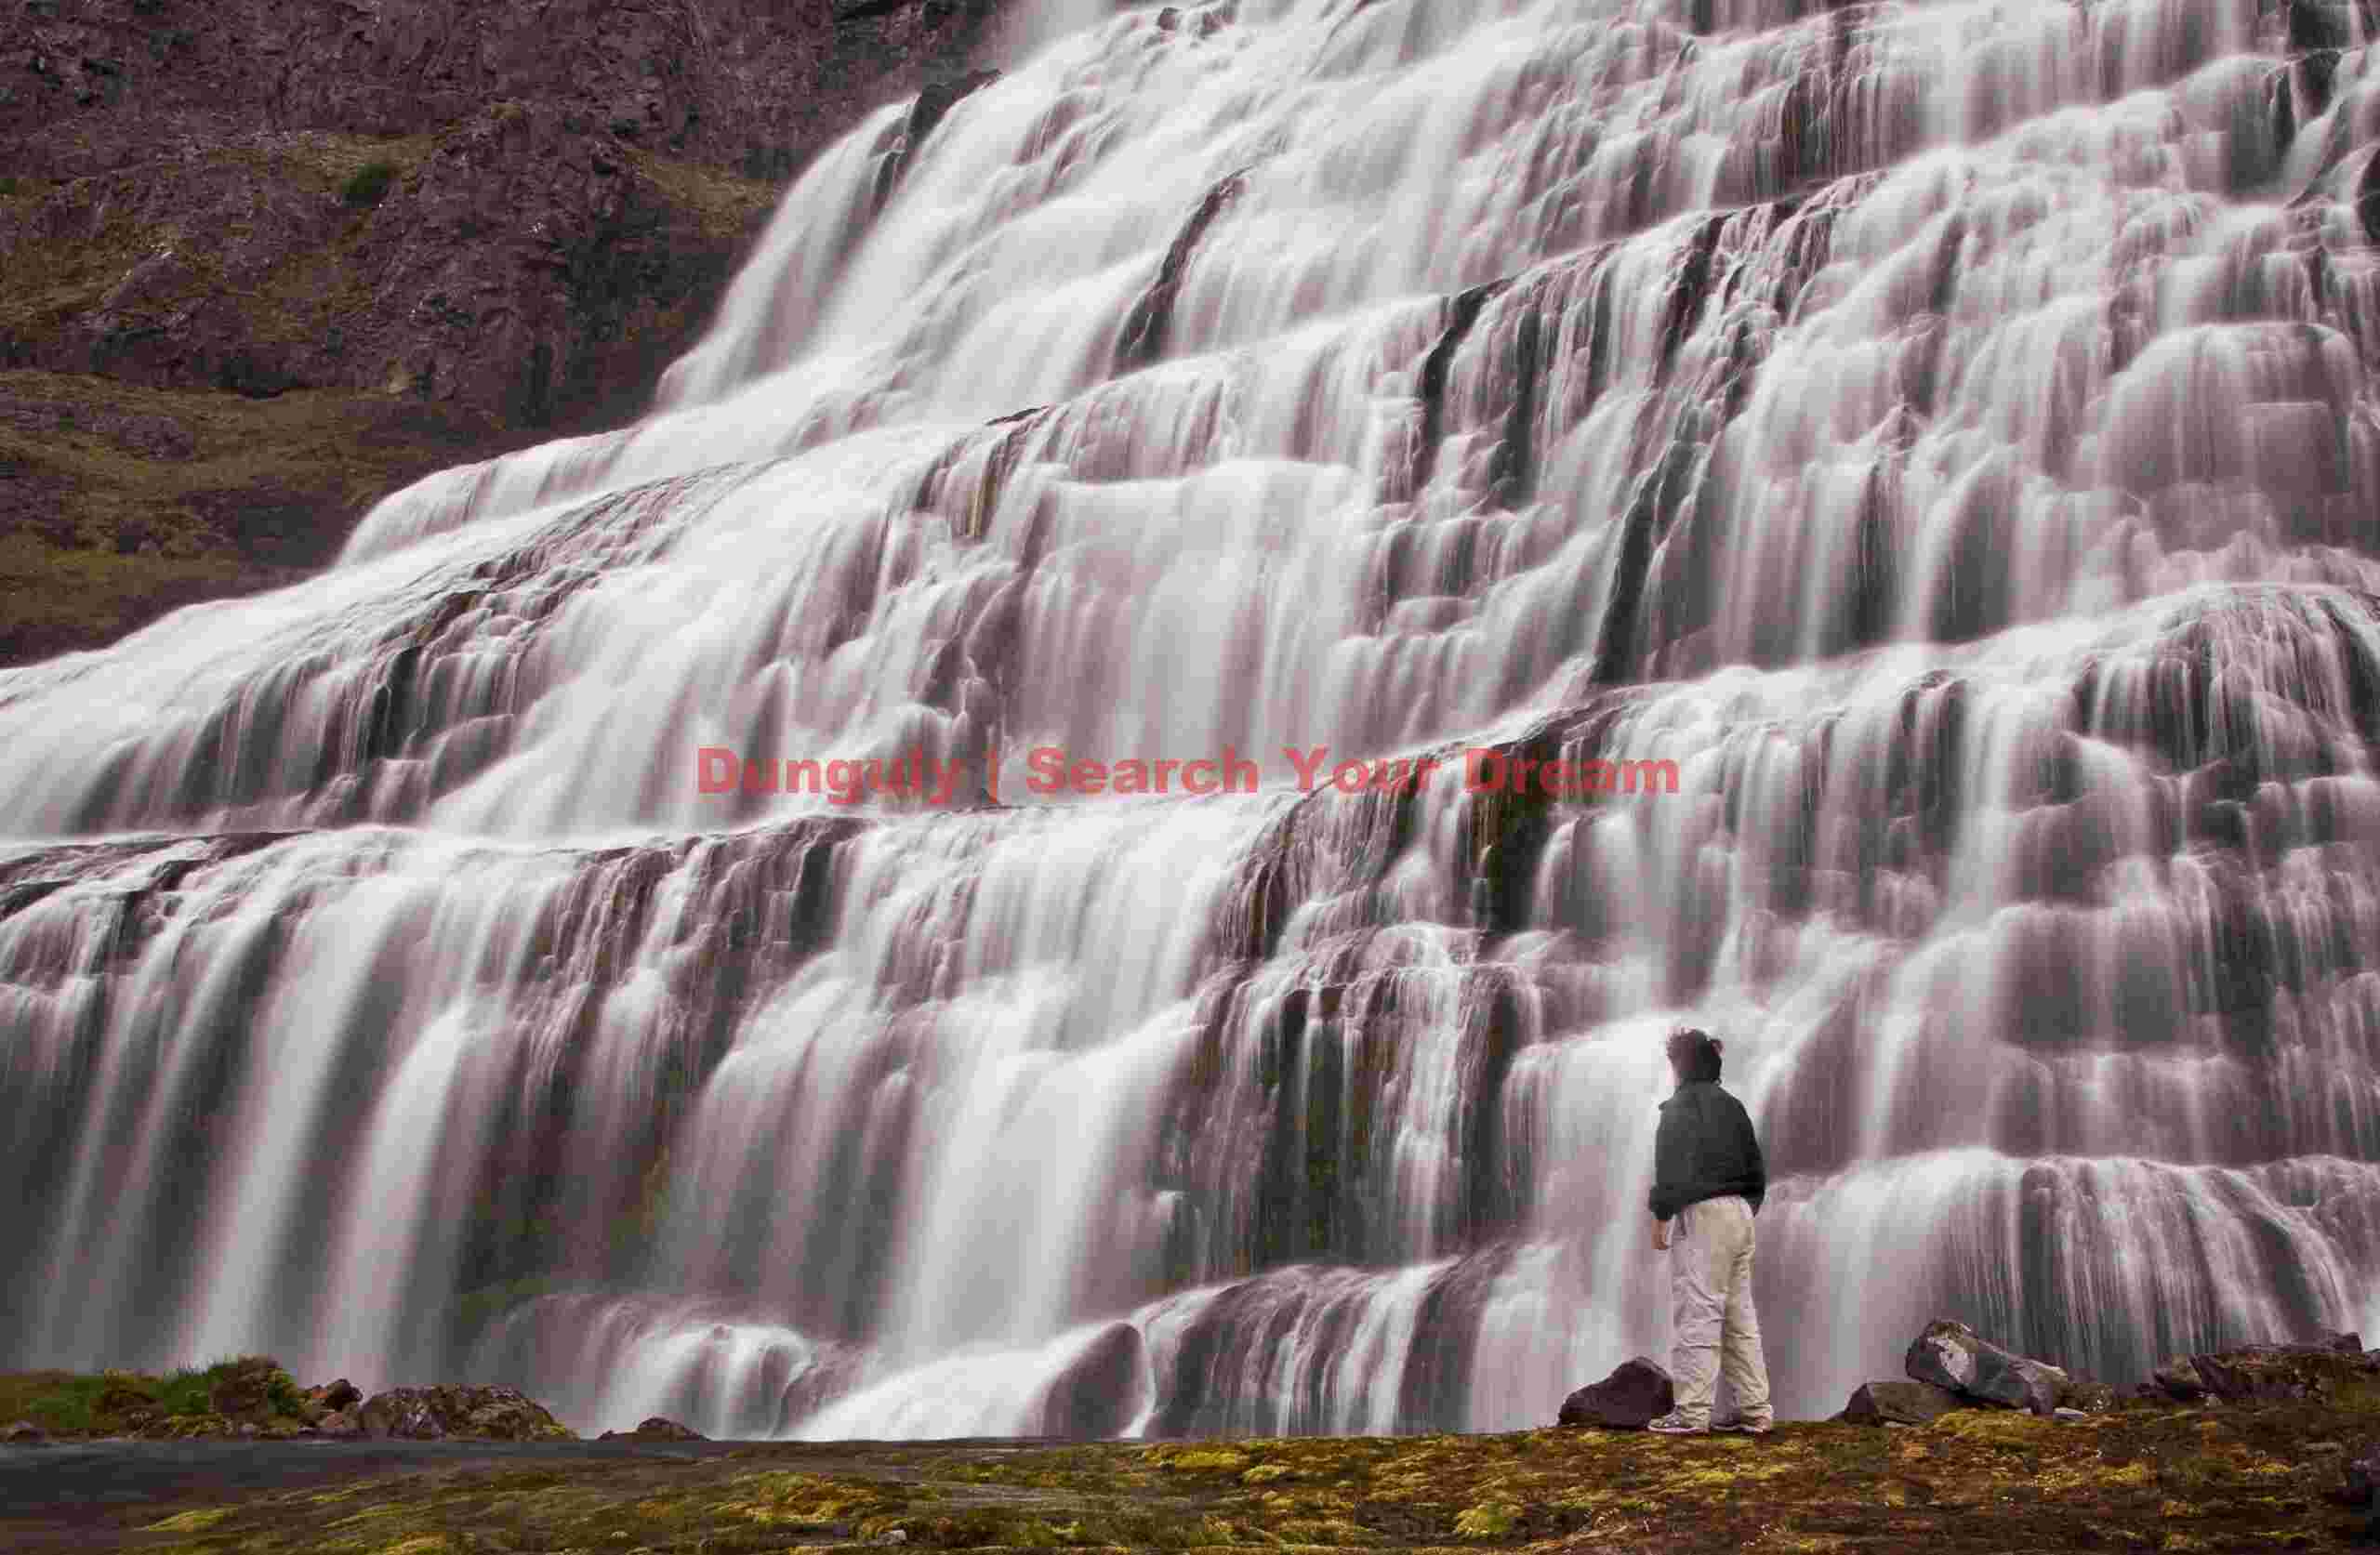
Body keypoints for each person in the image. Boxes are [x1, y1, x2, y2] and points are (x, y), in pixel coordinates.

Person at [1645, 1026, 1773, 1435]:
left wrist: (1661, 1215)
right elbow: (1755, 1166)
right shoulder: (1734, 1107)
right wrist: (1747, 1207)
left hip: (1703, 1215)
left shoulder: (1679, 1108)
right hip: (1740, 1212)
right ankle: (1754, 1410)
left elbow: (1670, 1167)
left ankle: (1692, 1413)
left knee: (1698, 1312)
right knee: (1739, 1316)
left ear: (1681, 1065)